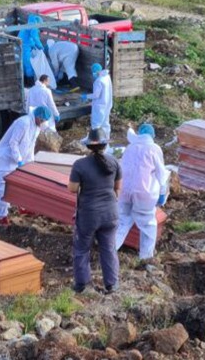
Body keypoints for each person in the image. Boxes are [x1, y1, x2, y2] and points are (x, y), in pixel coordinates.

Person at [68, 128, 122, 294]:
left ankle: (82, 285)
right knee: (109, 248)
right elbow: (117, 188)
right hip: (110, 213)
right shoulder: (114, 162)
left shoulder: (80, 165)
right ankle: (112, 285)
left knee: (82, 248)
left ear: (87, 146)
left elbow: (72, 189)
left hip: (89, 214)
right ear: (105, 145)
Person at [114, 124, 169, 261]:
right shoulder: (154, 149)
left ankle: (108, 252)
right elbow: (161, 173)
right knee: (148, 225)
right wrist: (162, 193)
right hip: (144, 194)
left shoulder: (130, 148)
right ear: (152, 135)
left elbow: (121, 169)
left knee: (122, 222)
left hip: (125, 192)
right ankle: (146, 259)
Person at [0, 106, 52, 226]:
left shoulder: (36, 127)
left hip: (19, 160)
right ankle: (1, 215)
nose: (44, 123)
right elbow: (13, 143)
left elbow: (31, 145)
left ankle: (23, 207)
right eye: (44, 120)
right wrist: (19, 160)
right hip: (5, 160)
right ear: (39, 117)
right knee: (3, 188)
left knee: (22, 184)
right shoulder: (23, 123)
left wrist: (31, 163)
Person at [82, 63, 113, 139]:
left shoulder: (98, 81)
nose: (93, 74)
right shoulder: (106, 77)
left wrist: (86, 96)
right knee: (105, 124)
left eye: (93, 72)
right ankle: (106, 141)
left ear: (96, 71)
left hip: (99, 106)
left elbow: (96, 95)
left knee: (96, 125)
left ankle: (95, 141)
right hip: (107, 104)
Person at [18, 14, 44, 88]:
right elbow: (35, 37)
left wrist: (32, 45)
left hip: (20, 47)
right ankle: (31, 84)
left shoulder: (26, 26)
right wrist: (40, 46)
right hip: (25, 48)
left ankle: (25, 83)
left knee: (23, 65)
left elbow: (27, 37)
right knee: (28, 65)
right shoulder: (34, 27)